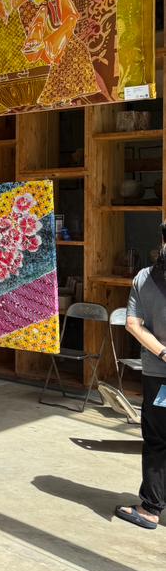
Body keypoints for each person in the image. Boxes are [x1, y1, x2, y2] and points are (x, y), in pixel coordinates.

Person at [116, 221, 166, 530]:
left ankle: (150, 509)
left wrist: (163, 353)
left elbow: (133, 324)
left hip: (159, 375)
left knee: (158, 440)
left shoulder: (145, 278)